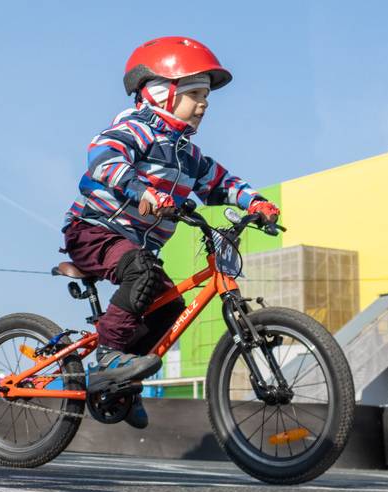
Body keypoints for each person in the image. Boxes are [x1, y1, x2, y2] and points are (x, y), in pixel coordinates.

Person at [62, 37, 280, 428]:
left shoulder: (187, 155)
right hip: (95, 230)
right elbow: (103, 156)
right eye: (195, 94)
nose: (203, 105)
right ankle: (108, 355)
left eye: (206, 98)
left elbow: (221, 182)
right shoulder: (136, 129)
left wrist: (256, 203)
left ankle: (124, 384)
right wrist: (139, 189)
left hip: (136, 245)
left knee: (170, 306)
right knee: (142, 271)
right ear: (162, 92)